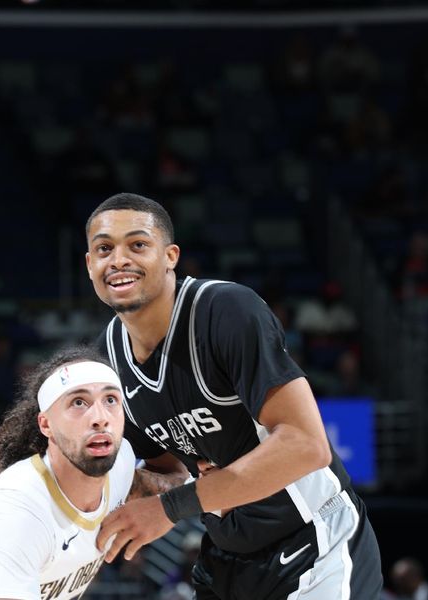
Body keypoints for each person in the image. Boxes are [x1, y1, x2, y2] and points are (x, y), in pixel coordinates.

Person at [84, 193, 383, 600]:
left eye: (137, 245)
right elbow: (169, 467)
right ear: (89, 265)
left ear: (170, 256)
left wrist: (167, 510)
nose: (118, 260)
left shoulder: (225, 311)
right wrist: (130, 487)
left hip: (312, 541)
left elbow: (306, 446)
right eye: (104, 249)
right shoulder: (107, 358)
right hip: (227, 559)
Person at [0, 345, 180, 600]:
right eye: (78, 403)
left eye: (110, 399)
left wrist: (175, 505)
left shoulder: (121, 463)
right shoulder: (16, 509)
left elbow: (170, 484)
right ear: (46, 424)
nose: (100, 417)